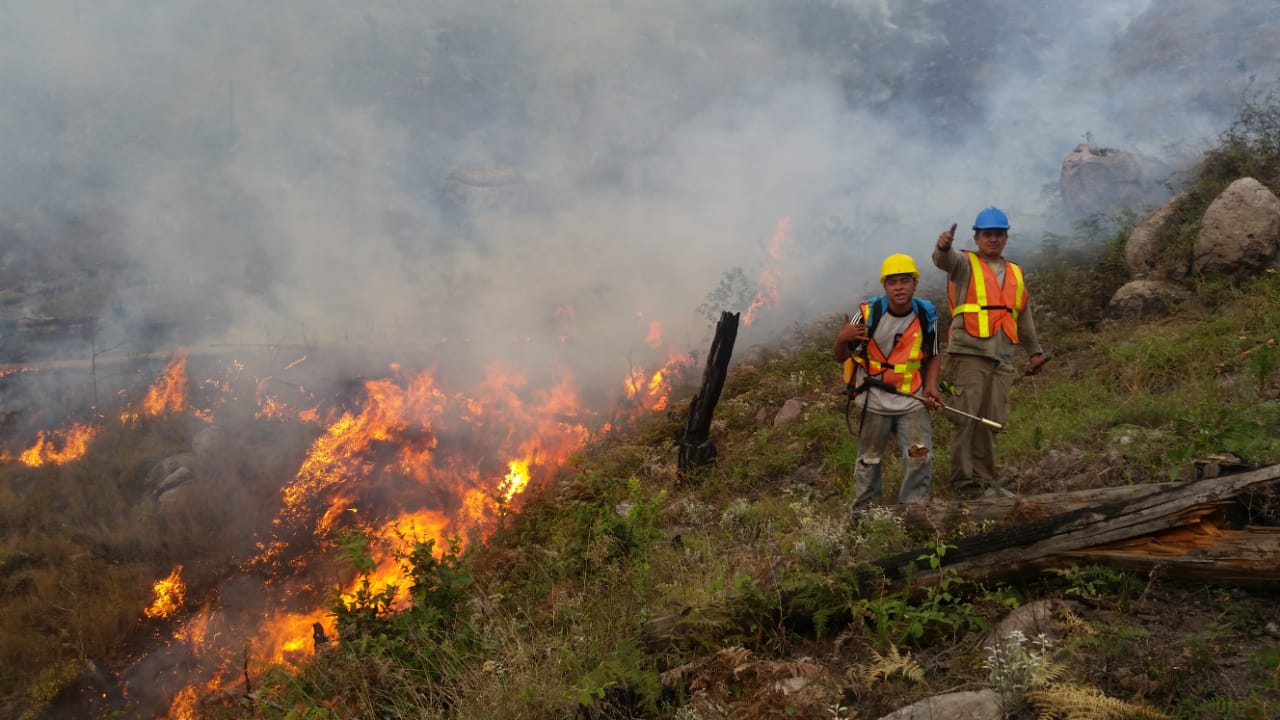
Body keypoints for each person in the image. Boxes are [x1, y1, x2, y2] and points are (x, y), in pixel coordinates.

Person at [933, 207, 1048, 498]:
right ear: (976, 237)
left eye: (999, 234)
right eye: (988, 234)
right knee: (965, 418)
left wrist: (1035, 352)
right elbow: (943, 260)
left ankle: (984, 480)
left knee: (992, 420)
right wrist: (942, 245)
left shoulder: (1015, 273)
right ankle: (962, 483)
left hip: (1003, 357)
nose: (993, 239)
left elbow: (1023, 317)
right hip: (969, 352)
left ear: (1006, 237)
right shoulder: (964, 263)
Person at [833, 253, 943, 510]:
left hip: (912, 400)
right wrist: (842, 338)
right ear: (885, 286)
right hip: (873, 402)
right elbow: (840, 356)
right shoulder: (868, 314)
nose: (899, 287)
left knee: (919, 456)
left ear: (914, 284)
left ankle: (914, 512)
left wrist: (931, 386)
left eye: (905, 281)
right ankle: (866, 516)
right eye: (893, 282)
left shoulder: (927, 316)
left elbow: (934, 354)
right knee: (868, 461)